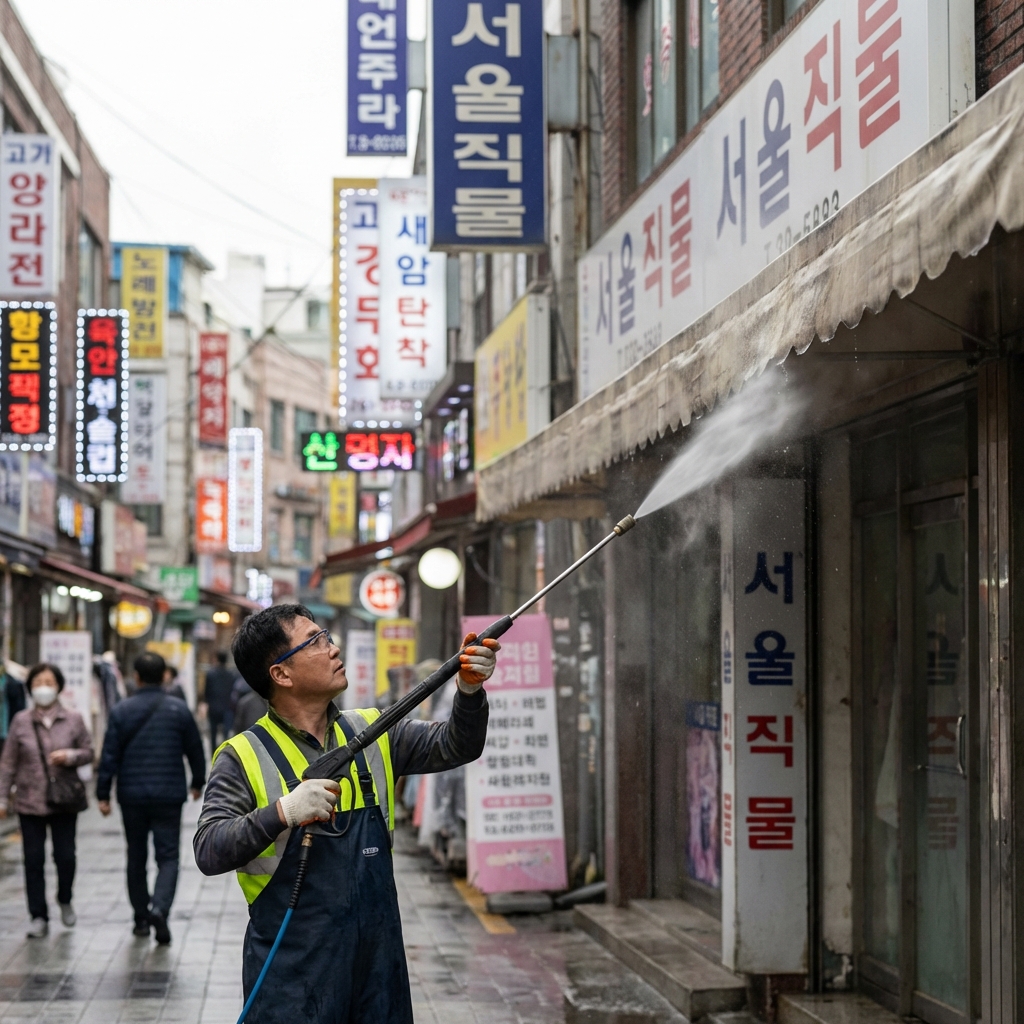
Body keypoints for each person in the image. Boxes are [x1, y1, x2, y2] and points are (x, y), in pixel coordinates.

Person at [194, 604, 497, 1023]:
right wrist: (283, 812)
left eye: (328, 637)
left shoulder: (372, 730)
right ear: (281, 674)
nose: (332, 649)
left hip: (377, 963)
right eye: (316, 641)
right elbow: (209, 849)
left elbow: (455, 746)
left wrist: (468, 691)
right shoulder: (242, 756)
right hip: (293, 973)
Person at [97, 651, 206, 945]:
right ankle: (160, 908)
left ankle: (140, 918)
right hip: (169, 794)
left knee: (136, 855)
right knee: (168, 856)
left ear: (136, 677)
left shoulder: (121, 710)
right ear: (164, 676)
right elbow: (195, 749)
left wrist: (102, 793)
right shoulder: (178, 709)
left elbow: (109, 755)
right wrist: (198, 781)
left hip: (131, 795)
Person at [0, 663, 93, 938]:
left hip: (63, 800)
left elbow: (89, 751)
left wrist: (70, 756)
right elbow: (7, 764)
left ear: (59, 686)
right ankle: (38, 915)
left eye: (49, 681)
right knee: (33, 860)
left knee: (65, 857)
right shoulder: (21, 721)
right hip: (29, 801)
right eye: (38, 681)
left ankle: (65, 898)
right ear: (30, 688)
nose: (43, 687)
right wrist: (2, 799)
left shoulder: (74, 719)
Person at [203, 651, 236, 750]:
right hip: (227, 707)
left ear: (217, 659)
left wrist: (206, 703)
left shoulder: (211, 674)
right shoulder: (231, 675)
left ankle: (213, 752)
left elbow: (207, 691)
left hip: (213, 707)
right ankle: (225, 752)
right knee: (226, 733)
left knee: (213, 732)